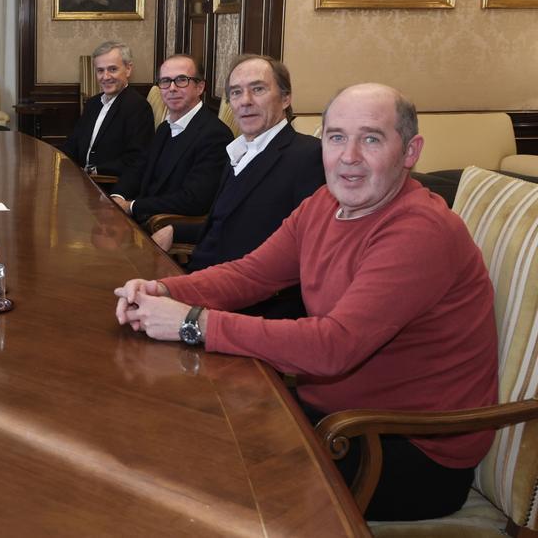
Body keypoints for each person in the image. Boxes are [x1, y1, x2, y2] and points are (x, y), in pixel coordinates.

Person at [114, 83, 498, 521]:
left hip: (404, 448)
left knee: (202, 474)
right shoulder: (324, 204)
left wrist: (192, 323)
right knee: (179, 427)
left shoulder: (420, 231)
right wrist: (165, 289)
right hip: (332, 416)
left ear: (410, 152)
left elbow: (333, 347)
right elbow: (251, 273)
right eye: (335, 137)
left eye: (371, 138)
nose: (348, 156)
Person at [153, 54, 324, 319]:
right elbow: (228, 222)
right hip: (201, 282)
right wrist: (176, 228)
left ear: (286, 98)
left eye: (258, 89)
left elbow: (299, 254)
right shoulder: (240, 150)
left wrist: (192, 303)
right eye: (236, 92)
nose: (245, 101)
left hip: (243, 306)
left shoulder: (308, 156)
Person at [109, 54, 231, 224]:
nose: (172, 88)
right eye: (165, 81)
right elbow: (140, 167)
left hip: (164, 224)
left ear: (200, 87)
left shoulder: (215, 135)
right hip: (141, 217)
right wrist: (117, 196)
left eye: (181, 80)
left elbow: (194, 200)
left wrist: (131, 206)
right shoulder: (165, 127)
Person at [61, 40, 154, 177]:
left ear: (128, 69)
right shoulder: (93, 103)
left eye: (112, 69)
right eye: (100, 70)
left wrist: (93, 171)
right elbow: (72, 143)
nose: (105, 77)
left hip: (107, 185)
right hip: (80, 179)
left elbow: (136, 160)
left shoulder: (138, 107)